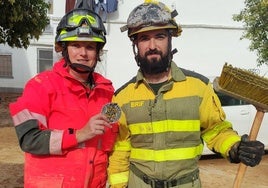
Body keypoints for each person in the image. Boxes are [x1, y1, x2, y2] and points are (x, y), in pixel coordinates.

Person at [107, 1, 265, 188]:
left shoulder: (198, 87)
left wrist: (236, 148)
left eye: (159, 36)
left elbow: (215, 130)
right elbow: (120, 149)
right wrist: (119, 186)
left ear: (170, 39)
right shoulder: (122, 97)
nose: (152, 45)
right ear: (136, 45)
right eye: (144, 38)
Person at [9, 8, 119, 188]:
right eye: (76, 45)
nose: (83, 53)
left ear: (97, 53)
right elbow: (29, 139)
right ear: (64, 49)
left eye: (90, 47)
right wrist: (79, 135)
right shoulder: (40, 86)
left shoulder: (106, 92)